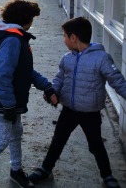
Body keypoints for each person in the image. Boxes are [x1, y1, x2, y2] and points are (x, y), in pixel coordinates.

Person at [28, 17, 126, 188]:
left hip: (90, 113)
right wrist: (54, 92)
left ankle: (107, 175)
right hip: (69, 110)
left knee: (95, 145)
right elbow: (59, 78)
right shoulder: (67, 58)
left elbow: (117, 81)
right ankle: (46, 168)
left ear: (73, 38)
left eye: (65, 35)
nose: (63, 39)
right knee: (58, 140)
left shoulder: (101, 58)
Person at [0, 0, 57, 188]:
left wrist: (46, 86)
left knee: (16, 133)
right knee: (0, 140)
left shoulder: (16, 37)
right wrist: (9, 105)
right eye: (32, 19)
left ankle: (16, 169)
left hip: (12, 100)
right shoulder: (12, 40)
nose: (32, 23)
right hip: (5, 101)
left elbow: (25, 71)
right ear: (24, 20)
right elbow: (1, 76)